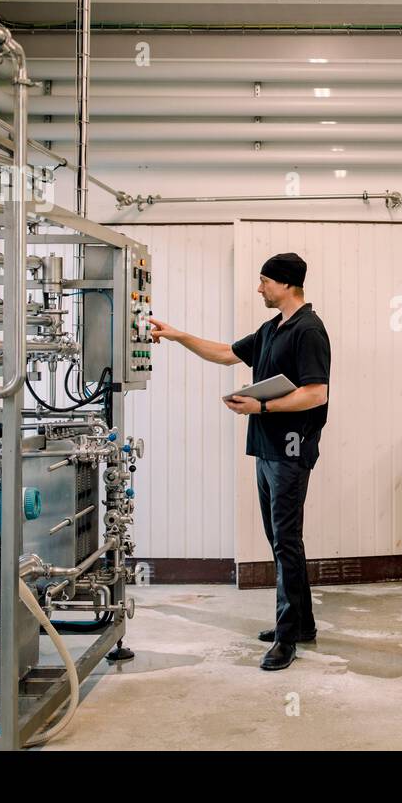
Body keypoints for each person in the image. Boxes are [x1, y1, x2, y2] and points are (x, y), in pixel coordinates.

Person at [149, 252, 330, 671]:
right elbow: (226, 353)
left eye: (265, 281)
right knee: (281, 540)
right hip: (267, 449)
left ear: (286, 284)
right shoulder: (272, 329)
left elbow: (316, 393)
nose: (259, 287)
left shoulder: (309, 331)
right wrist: (177, 335)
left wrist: (260, 409)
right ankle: (301, 623)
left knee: (286, 540)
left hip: (290, 448)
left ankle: (287, 638)